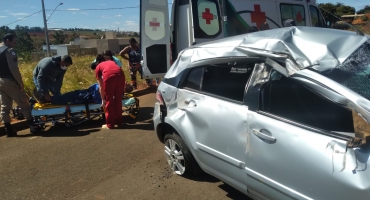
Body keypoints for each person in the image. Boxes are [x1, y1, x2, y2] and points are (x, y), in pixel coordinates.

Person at [0, 33, 39, 137]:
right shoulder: (9, 51)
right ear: (7, 40)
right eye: (14, 42)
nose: (15, 44)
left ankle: (8, 130)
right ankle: (33, 127)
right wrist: (20, 83)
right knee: (24, 104)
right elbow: (14, 69)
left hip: (0, 82)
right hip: (10, 81)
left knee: (5, 107)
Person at [91, 54, 125, 129]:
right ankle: (119, 122)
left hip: (110, 77)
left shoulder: (98, 67)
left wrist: (103, 100)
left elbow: (101, 87)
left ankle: (110, 124)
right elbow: (117, 69)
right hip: (121, 76)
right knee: (118, 100)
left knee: (109, 100)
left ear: (96, 63)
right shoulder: (110, 61)